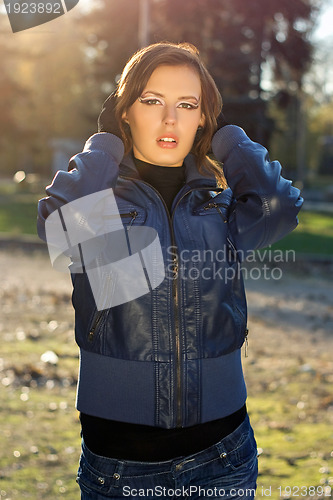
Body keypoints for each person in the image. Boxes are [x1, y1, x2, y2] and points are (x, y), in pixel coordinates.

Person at [37, 42, 303, 499]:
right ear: (125, 112)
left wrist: (227, 138)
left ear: (203, 117)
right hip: (119, 467)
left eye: (188, 105)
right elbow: (56, 226)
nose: (170, 119)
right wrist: (103, 144)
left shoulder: (221, 210)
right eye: (151, 101)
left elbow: (279, 207)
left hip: (224, 457)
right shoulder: (104, 205)